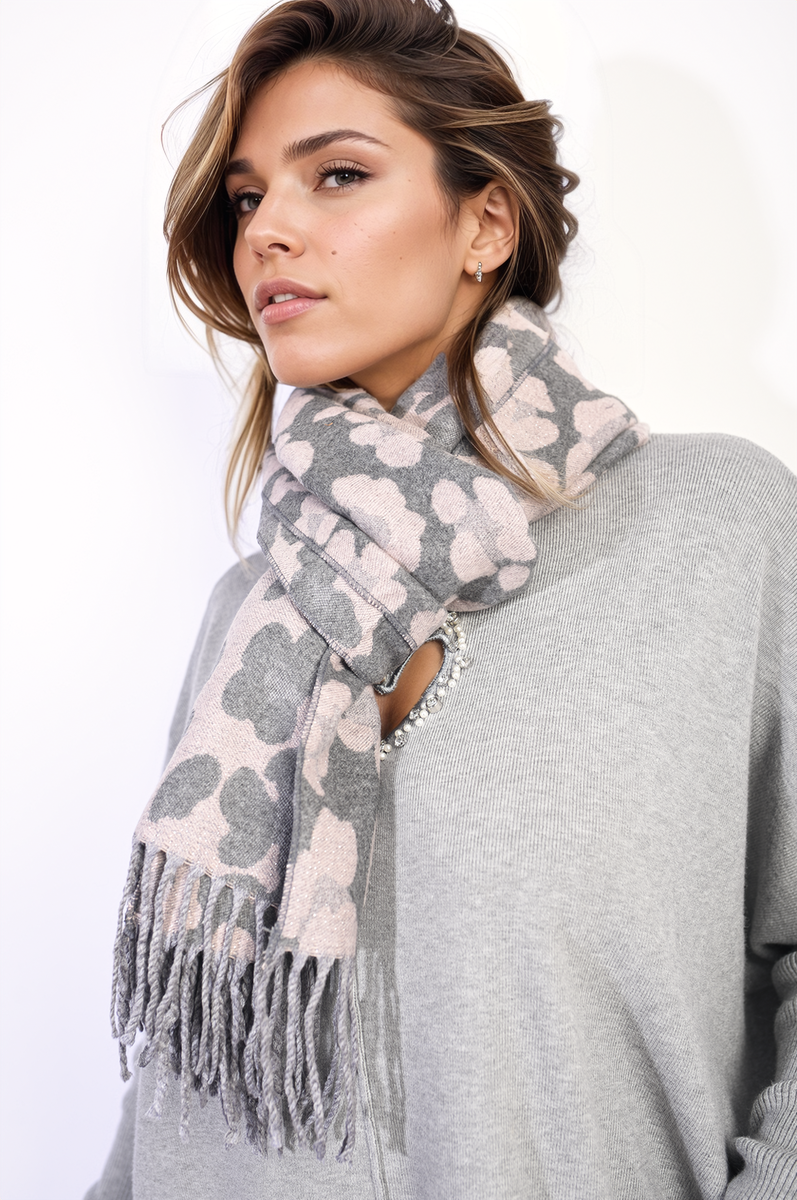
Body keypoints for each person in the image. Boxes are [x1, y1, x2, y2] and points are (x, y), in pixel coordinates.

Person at [86, 1, 797, 1197]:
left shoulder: (713, 528)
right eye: (248, 198)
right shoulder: (253, 609)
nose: (267, 232)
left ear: (484, 223)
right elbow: (189, 1057)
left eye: (338, 175)